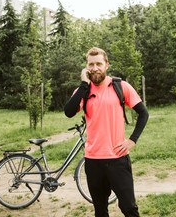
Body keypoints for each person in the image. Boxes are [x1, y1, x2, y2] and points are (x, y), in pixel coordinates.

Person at [64, 47, 149, 217]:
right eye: (91, 64)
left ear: (106, 65)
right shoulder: (84, 90)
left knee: (129, 208)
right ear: (86, 67)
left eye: (98, 64)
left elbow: (143, 113)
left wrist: (132, 140)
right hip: (93, 160)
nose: (94, 68)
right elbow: (69, 111)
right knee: (100, 210)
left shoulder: (121, 86)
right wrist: (83, 84)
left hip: (117, 159)